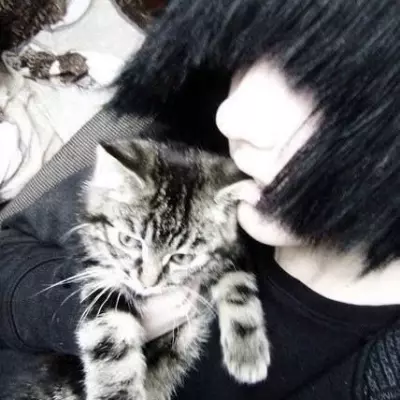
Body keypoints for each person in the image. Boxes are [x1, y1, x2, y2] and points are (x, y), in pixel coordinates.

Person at [1, 0, 400, 399]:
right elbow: (9, 252)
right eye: (249, 51)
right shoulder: (176, 159)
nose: (230, 115)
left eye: (326, 89)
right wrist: (101, 312)